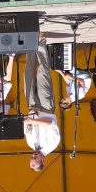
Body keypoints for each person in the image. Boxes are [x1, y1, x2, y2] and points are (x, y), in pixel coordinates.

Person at [24, 35, 60, 171]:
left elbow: (27, 127)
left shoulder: (30, 143)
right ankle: (40, 41)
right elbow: (50, 123)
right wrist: (32, 122)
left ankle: (29, 42)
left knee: (28, 73)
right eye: (36, 158)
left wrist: (24, 122)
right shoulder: (52, 144)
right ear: (43, 160)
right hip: (46, 108)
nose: (33, 155)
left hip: (32, 107)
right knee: (43, 72)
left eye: (31, 157)